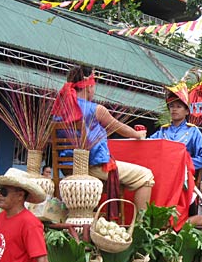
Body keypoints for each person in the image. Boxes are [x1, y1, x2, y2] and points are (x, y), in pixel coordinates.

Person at [53, 65, 154, 212]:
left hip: (67, 169)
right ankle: (140, 226)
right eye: (94, 86)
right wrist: (138, 134)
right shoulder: (96, 110)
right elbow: (120, 128)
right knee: (146, 176)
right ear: (88, 87)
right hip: (92, 168)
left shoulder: (59, 111)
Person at [148, 83, 202, 171]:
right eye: (171, 106)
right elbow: (148, 145)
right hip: (161, 171)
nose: (174, 109)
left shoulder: (193, 131)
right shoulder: (163, 130)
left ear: (187, 111)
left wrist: (185, 163)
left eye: (179, 106)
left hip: (182, 175)